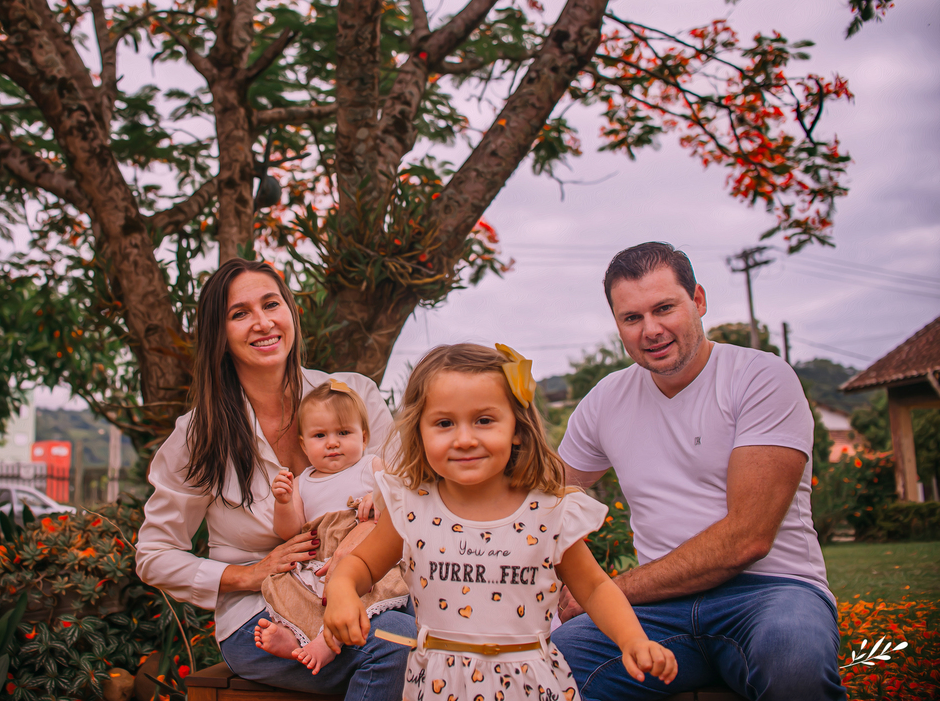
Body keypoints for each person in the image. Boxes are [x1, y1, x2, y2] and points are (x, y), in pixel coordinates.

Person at [551, 242, 845, 701]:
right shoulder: (606, 399)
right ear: (618, 326)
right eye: (632, 318)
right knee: (552, 667)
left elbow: (747, 539)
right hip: (658, 611)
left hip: (771, 592)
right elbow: (547, 494)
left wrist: (606, 591)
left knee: (794, 659)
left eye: (664, 308)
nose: (651, 330)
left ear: (699, 301)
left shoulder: (759, 377)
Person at [322, 343, 678, 701]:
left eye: (484, 420)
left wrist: (633, 640)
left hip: (532, 686)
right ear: (420, 431)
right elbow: (360, 564)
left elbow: (595, 588)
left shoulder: (549, 513)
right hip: (438, 687)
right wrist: (341, 592)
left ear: (517, 428)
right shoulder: (411, 507)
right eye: (444, 423)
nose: (464, 439)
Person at [135, 258, 415, 700]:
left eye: (271, 304)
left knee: (450, 626)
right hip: (265, 615)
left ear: (291, 314)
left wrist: (370, 526)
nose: (262, 322)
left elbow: (410, 490)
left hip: (373, 586)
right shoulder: (197, 435)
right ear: (219, 336)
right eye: (239, 313)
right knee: (397, 640)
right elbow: (154, 555)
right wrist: (248, 575)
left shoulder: (351, 395)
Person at [255, 379, 409, 674]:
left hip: (365, 560)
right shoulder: (303, 482)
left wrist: (377, 498)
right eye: (319, 435)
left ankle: (329, 642)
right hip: (320, 562)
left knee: (364, 592)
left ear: (363, 438)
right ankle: (296, 636)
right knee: (296, 592)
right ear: (303, 444)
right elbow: (289, 532)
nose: (332, 442)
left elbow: (403, 499)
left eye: (343, 432)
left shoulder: (372, 466)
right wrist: (284, 501)